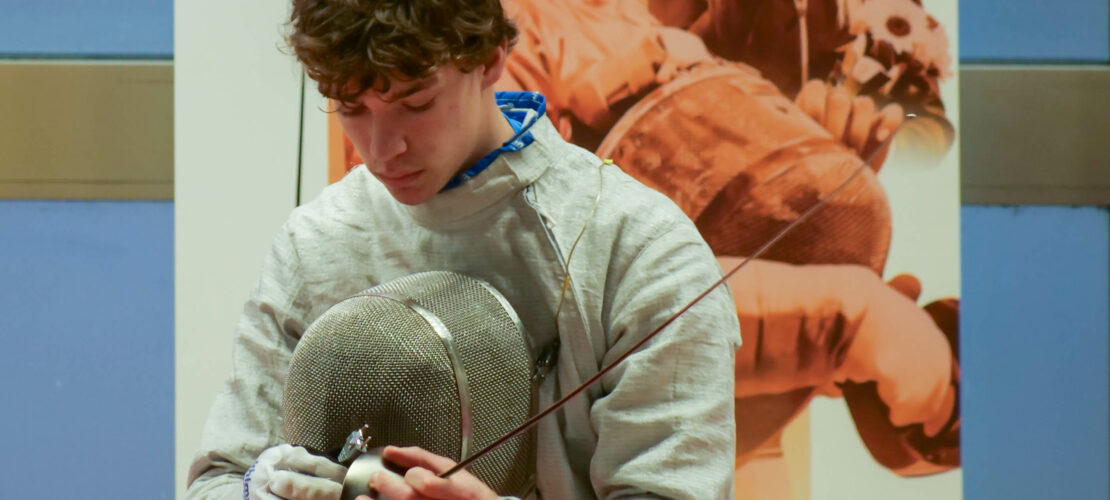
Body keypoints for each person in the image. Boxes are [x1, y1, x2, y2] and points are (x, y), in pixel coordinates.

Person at [185, 1, 741, 499]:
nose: (382, 149)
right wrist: (255, 492)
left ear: (489, 59)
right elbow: (218, 478)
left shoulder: (639, 250)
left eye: (415, 102)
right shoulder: (317, 242)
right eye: (351, 107)